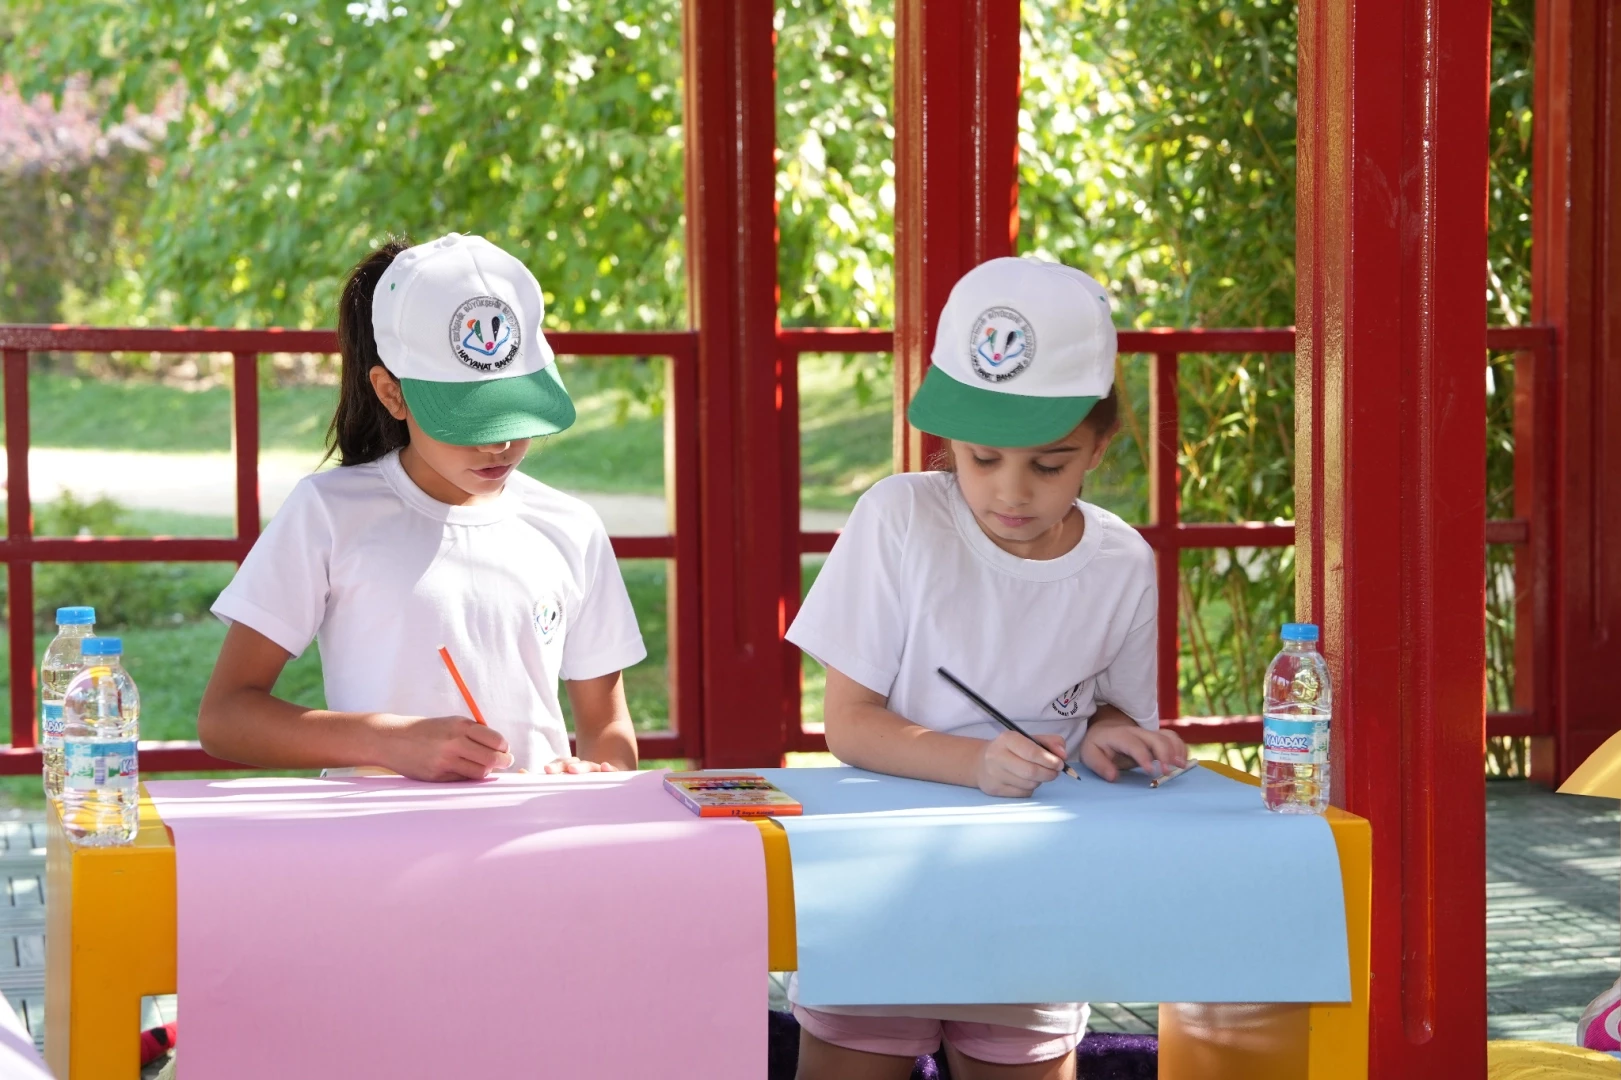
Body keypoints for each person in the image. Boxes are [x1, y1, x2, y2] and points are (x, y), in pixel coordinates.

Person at [785, 257, 1189, 1080]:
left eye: (1048, 464)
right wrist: (976, 763)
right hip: (879, 876)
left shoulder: (1122, 561)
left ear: (1099, 445)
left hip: (1033, 886)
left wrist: (1112, 740)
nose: (1011, 493)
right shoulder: (898, 518)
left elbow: (1109, 711)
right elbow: (848, 724)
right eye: (980, 458)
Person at [198, 232, 646, 781]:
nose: (498, 444)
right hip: (377, 832)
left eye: (515, 412)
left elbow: (609, 729)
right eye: (469, 420)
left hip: (533, 829)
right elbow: (225, 716)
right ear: (392, 393)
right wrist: (385, 741)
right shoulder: (329, 513)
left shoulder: (571, 527)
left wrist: (599, 774)